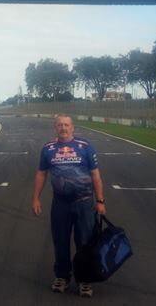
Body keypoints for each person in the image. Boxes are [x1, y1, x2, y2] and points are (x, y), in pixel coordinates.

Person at [32, 114, 106, 298]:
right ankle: (62, 277)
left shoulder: (86, 147)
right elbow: (41, 174)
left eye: (66, 125)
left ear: (73, 127)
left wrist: (100, 201)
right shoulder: (47, 149)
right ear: (55, 128)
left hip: (84, 203)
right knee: (60, 242)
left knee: (85, 243)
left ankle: (85, 280)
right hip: (60, 204)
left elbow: (95, 175)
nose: (63, 128)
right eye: (59, 125)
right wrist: (36, 198)